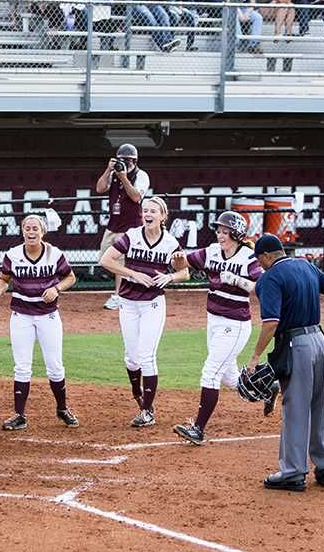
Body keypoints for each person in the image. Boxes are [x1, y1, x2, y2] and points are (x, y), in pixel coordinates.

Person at [246, 233, 324, 491]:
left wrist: (255, 356)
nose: (260, 265)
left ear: (267, 256)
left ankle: (293, 472)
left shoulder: (271, 278)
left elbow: (271, 323)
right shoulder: (305, 265)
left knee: (295, 407)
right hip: (319, 342)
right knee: (318, 404)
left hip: (296, 345)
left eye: (259, 260)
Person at [174, 211, 264, 445]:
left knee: (210, 371)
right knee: (229, 378)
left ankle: (199, 429)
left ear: (236, 234)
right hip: (213, 320)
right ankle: (267, 388)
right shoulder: (212, 251)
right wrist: (177, 257)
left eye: (225, 232)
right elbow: (185, 262)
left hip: (235, 323)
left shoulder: (248, 256)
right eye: (219, 231)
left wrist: (236, 280)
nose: (220, 235)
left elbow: (261, 286)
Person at [100, 196, 187, 428]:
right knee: (131, 358)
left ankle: (147, 411)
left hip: (152, 304)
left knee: (147, 357)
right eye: (145, 210)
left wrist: (170, 275)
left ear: (162, 216)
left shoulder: (170, 242)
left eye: (153, 211)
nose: (147, 214)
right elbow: (105, 260)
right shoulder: (132, 236)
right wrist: (132, 273)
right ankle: (137, 393)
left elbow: (184, 272)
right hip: (128, 303)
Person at [0, 214, 79, 431]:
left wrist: (56, 288)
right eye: (27, 228)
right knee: (22, 366)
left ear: (42, 232)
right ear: (22, 231)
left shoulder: (53, 253)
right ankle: (19, 415)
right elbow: (4, 277)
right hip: (21, 315)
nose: (31, 232)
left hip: (48, 315)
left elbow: (70, 277)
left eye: (35, 228)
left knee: (55, 366)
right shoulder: (13, 254)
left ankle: (62, 408)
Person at [96, 143, 151, 310]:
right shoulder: (113, 173)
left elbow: (136, 197)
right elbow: (99, 188)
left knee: (119, 261)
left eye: (128, 161)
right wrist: (109, 170)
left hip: (130, 225)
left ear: (134, 161)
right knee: (104, 258)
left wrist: (124, 178)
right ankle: (130, 285)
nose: (124, 164)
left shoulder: (141, 175)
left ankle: (119, 295)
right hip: (113, 224)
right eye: (121, 161)